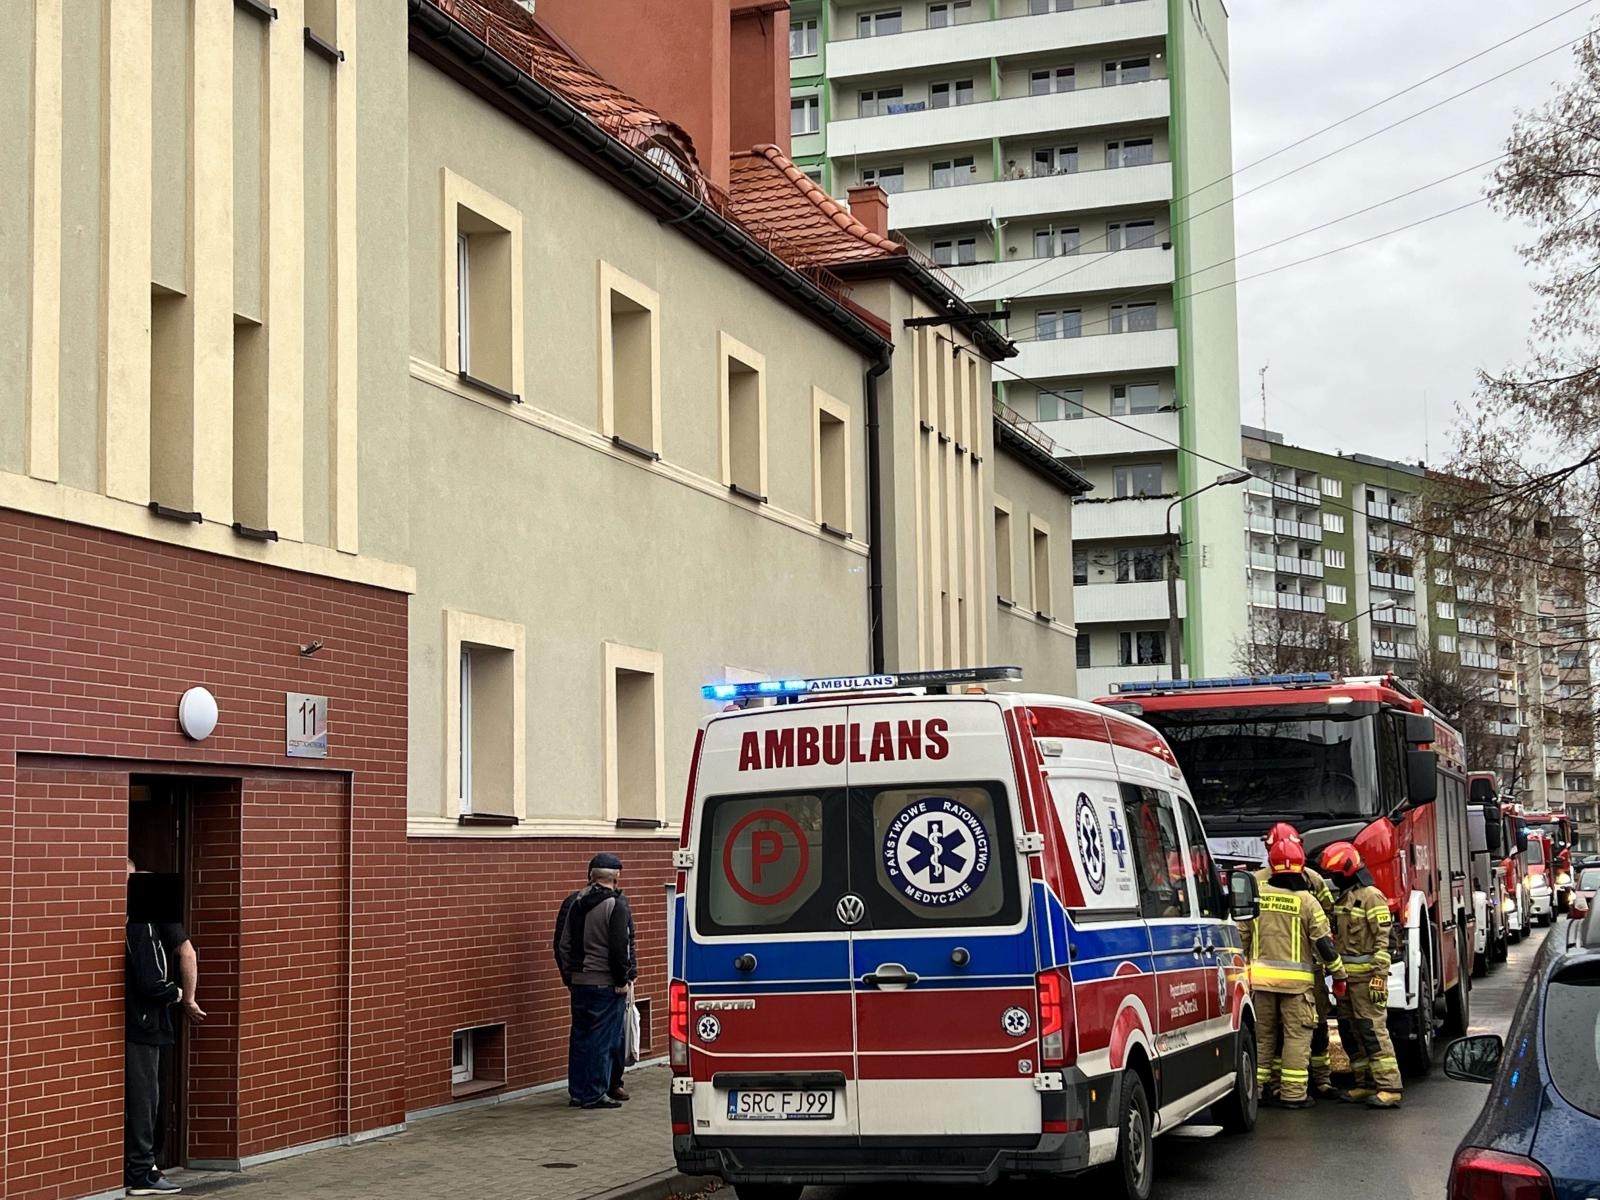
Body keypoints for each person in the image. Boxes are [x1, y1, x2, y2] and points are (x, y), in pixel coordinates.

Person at [1241, 838, 1346, 1109]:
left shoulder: (1258, 896)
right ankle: (1293, 1094)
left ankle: (1259, 1090)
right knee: (1297, 1039)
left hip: (1261, 984)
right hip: (1297, 989)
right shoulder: (1307, 901)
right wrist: (1339, 975)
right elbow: (1324, 944)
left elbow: (1242, 938)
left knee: (1263, 1039)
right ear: (1301, 867)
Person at [1320, 842, 1403, 1109]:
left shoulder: (1371, 897)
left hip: (1368, 980)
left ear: (1347, 871)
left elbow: (1385, 941)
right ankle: (1364, 1084)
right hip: (1346, 981)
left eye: (1334, 874)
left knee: (1372, 1031)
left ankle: (1389, 1087)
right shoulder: (1344, 898)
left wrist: (1379, 976)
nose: (1332, 879)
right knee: (1350, 1031)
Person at [554, 856, 637, 1104]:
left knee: (580, 1038)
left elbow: (563, 944)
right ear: (616, 877)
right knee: (603, 1038)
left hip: (580, 982)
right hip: (605, 982)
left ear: (591, 875)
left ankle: (578, 1092)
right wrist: (623, 979)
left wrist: (570, 977)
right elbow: (619, 948)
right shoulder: (616, 905)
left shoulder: (575, 903)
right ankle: (594, 1093)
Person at [125, 863, 185, 1196]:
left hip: (140, 1023)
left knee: (146, 1098)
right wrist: (176, 993)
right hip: (146, 1024)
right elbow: (152, 982)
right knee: (145, 1099)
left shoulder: (139, 924)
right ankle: (142, 1172)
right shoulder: (141, 926)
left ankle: (141, 1166)